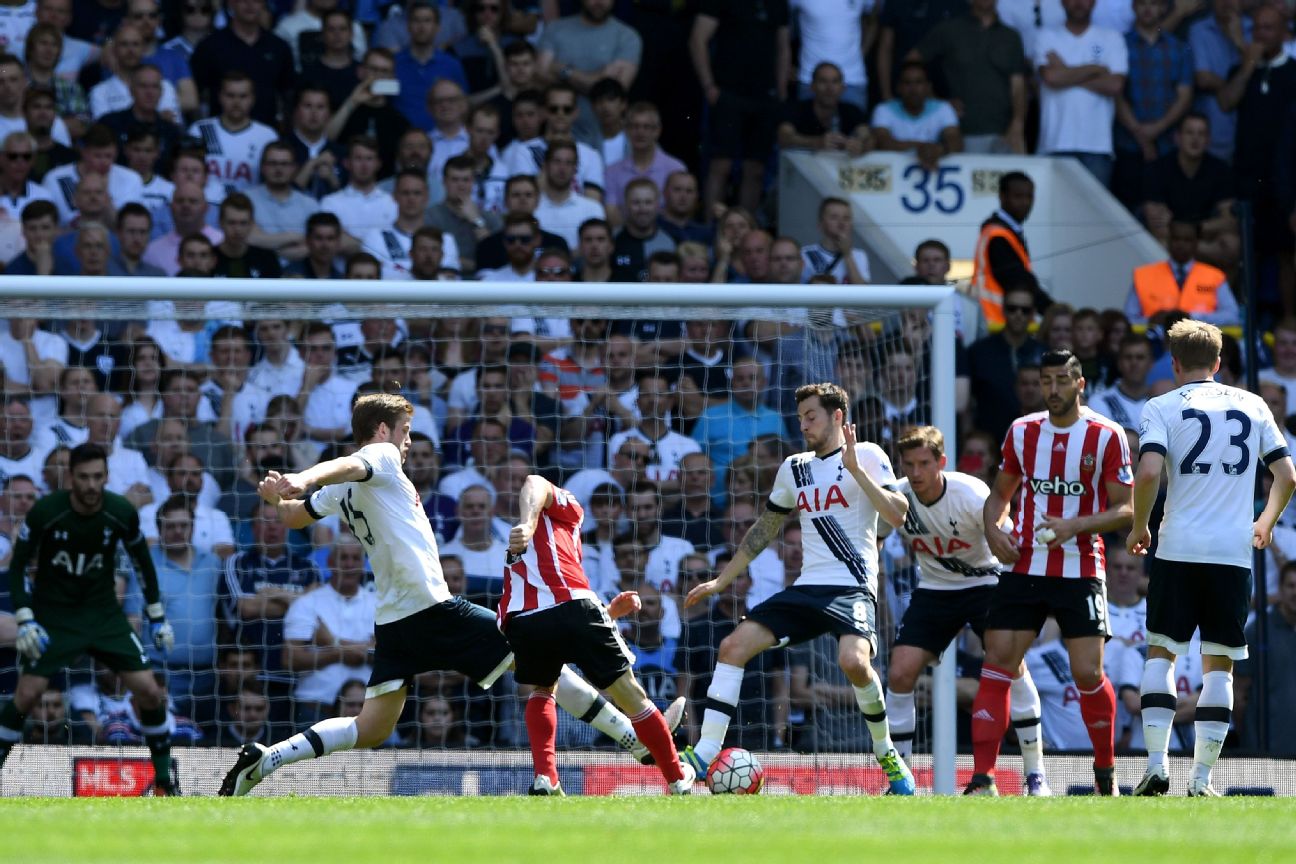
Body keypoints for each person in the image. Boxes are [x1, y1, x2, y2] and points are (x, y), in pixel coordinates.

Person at [219, 393, 681, 796]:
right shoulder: (379, 456)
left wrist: (277, 499)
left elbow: (294, 518)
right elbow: (342, 464)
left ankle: (267, 759)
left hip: (395, 620)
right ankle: (634, 737)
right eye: (404, 431)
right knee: (543, 665)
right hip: (434, 608)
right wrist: (301, 478)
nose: (408, 441)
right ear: (382, 430)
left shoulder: (348, 488)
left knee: (372, 727)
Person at [680, 382, 916, 795]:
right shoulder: (794, 467)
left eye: (811, 416)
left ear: (837, 417)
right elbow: (766, 526)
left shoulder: (870, 455)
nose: (804, 424)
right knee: (733, 647)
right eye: (801, 417)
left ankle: (887, 756)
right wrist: (723, 579)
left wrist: (856, 469)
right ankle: (703, 752)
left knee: (854, 663)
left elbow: (898, 515)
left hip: (852, 585)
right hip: (808, 586)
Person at [1127, 319, 1295, 796]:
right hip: (1231, 552)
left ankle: (1155, 768)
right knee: (1219, 663)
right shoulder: (1253, 403)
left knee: (1160, 653)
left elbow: (1148, 473)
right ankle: (1201, 780)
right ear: (1219, 363)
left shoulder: (1160, 406)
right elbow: (1287, 475)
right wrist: (1264, 522)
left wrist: (1140, 528)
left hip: (1178, 546)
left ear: (1175, 363)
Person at [968, 348, 1133, 796]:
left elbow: (1125, 509)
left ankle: (1105, 774)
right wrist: (992, 529)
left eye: (1063, 380)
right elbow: (1000, 495)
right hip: (1024, 565)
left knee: (1086, 674)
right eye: (1046, 381)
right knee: (998, 659)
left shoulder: (1106, 434)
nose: (1054, 389)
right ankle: (982, 778)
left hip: (1080, 564)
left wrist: (1075, 525)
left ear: (1080, 384)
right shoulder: (1022, 431)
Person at [0, 443, 179, 794]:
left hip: (104, 615)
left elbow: (143, 563)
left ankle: (162, 782)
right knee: (27, 693)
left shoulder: (120, 511)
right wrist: (25, 618)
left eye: (98, 476)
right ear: (70, 478)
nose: (92, 485)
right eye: (84, 477)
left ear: (106, 476)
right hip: (56, 616)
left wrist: (157, 615)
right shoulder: (46, 512)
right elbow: (18, 564)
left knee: (149, 691)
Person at [502, 473, 694, 795]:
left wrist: (609, 613)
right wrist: (528, 521)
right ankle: (676, 776)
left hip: (523, 620)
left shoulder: (535, 550)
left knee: (543, 689)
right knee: (632, 695)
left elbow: (553, 607)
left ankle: (546, 778)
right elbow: (534, 482)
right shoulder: (569, 512)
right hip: (571, 607)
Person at [886, 425, 1050, 795]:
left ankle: (1035, 774)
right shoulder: (897, 497)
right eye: (909, 464)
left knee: (1009, 667)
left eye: (924, 463)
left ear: (941, 462)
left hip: (986, 585)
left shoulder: (972, 494)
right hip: (934, 589)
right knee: (899, 673)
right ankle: (902, 782)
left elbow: (1009, 540)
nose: (916, 472)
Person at [1034, 0, 1128, 187]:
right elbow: (1051, 78)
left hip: (1097, 146)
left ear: (1094, 2)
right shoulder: (1046, 36)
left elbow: (1115, 85)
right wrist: (1095, 68)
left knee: (1094, 215)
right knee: (1055, 213)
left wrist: (1066, 72)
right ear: (1062, 2)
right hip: (1055, 143)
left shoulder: (1111, 37)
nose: (1078, 3)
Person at [1125, 220, 1238, 326]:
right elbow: (1129, 318)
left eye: (1187, 240)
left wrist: (1192, 317)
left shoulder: (1214, 276)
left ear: (1196, 243)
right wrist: (1151, 320)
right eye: (1176, 239)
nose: (1181, 245)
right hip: (1155, 343)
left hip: (1199, 342)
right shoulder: (1145, 275)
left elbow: (1232, 316)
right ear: (1169, 241)